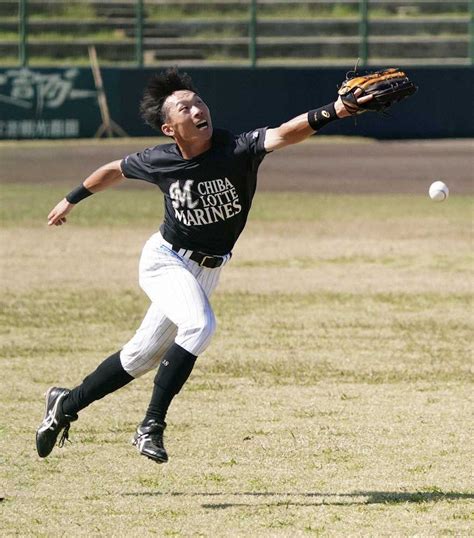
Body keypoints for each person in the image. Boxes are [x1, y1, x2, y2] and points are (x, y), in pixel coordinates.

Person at [36, 68, 371, 463]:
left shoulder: (237, 149)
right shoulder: (158, 160)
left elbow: (284, 132)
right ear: (168, 127)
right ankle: (150, 426)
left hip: (208, 270)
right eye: (184, 106)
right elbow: (113, 170)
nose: (197, 109)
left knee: (139, 358)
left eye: (198, 101)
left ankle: (64, 404)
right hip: (165, 261)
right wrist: (71, 199)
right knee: (200, 326)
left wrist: (334, 110)